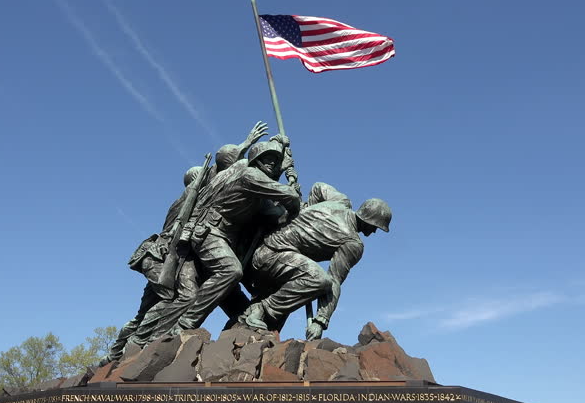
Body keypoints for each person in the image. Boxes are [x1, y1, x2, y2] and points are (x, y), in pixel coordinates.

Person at [99, 123, 270, 364]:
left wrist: (246, 144)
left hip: (180, 257)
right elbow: (220, 172)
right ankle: (136, 349)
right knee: (175, 300)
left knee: (154, 308)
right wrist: (245, 146)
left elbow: (222, 170)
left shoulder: (204, 195)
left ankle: (126, 350)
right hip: (164, 257)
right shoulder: (186, 201)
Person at [165, 138, 302, 335]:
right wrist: (294, 200)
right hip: (210, 232)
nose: (272, 162)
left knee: (237, 299)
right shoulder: (250, 175)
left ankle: (240, 328)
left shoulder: (242, 171)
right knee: (231, 271)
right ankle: (185, 324)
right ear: (256, 159)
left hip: (222, 236)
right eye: (268, 158)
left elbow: (271, 205)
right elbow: (287, 195)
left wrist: (281, 157)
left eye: (275, 160)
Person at [239, 183, 392, 340]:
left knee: (285, 308)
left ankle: (257, 328)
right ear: (368, 220)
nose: (373, 231)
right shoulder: (353, 243)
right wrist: (321, 321)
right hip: (271, 258)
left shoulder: (341, 201)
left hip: (267, 250)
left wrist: (305, 213)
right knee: (318, 280)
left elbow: (318, 188)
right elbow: (334, 281)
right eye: (375, 226)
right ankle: (261, 309)